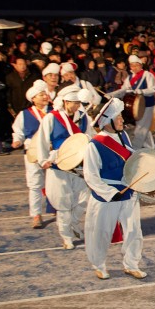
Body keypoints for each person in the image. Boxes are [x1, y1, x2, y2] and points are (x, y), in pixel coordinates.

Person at [82, 98, 147, 280]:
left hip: (128, 191)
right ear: (107, 121)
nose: (122, 120)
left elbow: (131, 159)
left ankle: (132, 264)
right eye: (118, 117)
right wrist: (111, 193)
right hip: (107, 196)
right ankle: (99, 265)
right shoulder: (94, 145)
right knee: (101, 232)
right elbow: (91, 176)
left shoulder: (123, 136)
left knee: (134, 230)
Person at [34, 86, 94, 249]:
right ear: (64, 102)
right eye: (72, 103)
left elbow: (90, 137)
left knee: (84, 199)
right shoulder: (51, 118)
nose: (75, 106)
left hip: (79, 163)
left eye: (77, 103)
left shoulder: (83, 117)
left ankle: (74, 225)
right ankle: (66, 236)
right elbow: (42, 140)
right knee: (63, 202)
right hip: (58, 164)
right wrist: (43, 159)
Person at [11, 80, 52, 228]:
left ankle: (56, 208)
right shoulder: (24, 114)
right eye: (40, 95)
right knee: (35, 184)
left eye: (45, 94)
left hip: (51, 151)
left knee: (55, 181)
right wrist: (17, 140)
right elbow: (18, 131)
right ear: (33, 98)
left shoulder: (54, 111)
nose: (44, 97)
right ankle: (36, 215)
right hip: (32, 152)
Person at [109, 55, 155, 149]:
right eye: (132, 66)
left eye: (136, 65)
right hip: (135, 107)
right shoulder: (130, 78)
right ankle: (150, 147)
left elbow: (153, 89)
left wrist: (142, 91)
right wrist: (112, 94)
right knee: (143, 127)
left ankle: (134, 149)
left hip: (147, 105)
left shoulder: (147, 75)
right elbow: (124, 90)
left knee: (141, 128)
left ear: (140, 65)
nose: (134, 68)